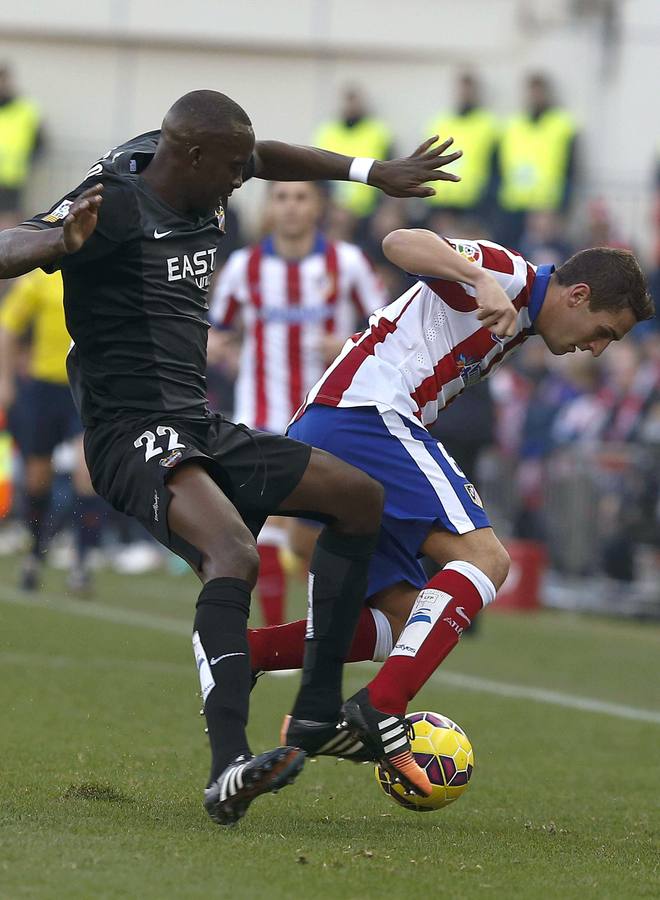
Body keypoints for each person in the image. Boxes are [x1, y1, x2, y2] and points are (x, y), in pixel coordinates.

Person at [0, 90, 463, 824]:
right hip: (131, 434)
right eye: (231, 170)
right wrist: (58, 245)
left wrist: (372, 172)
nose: (242, 183)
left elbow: (266, 153)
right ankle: (228, 771)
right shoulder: (113, 203)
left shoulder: (196, 157)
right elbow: (10, 245)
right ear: (189, 158)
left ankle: (314, 717)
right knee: (235, 555)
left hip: (200, 423)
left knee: (359, 499)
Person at [248, 230, 654, 757]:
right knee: (485, 559)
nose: (596, 348)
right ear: (576, 296)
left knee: (405, 621)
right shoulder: (510, 275)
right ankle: (380, 709)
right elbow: (398, 242)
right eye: (604, 332)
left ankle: (244, 653)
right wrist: (480, 277)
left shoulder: (522, 322)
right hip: (365, 416)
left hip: (336, 424)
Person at [209, 180, 387, 626]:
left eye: (300, 197)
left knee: (318, 535)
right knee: (263, 530)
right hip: (259, 416)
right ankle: (273, 630)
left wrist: (347, 343)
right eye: (281, 197)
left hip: (327, 420)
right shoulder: (243, 267)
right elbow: (216, 329)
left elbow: (387, 330)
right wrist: (221, 347)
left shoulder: (346, 264)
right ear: (270, 207)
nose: (290, 207)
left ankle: (331, 624)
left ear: (318, 206)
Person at [0, 268, 102, 593]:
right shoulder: (41, 279)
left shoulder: (101, 273)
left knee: (88, 472)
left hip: (85, 388)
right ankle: (34, 553)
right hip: (45, 389)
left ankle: (82, 563)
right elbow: (8, 326)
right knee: (37, 479)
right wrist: (5, 378)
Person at [496, 73, 578, 248]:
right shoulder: (513, 124)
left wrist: (562, 207)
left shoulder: (561, 124)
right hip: (514, 204)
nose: (535, 96)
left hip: (546, 205)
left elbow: (571, 169)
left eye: (539, 91)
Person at [423, 72, 499, 227]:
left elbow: (495, 165)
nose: (464, 94)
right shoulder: (440, 122)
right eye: (461, 89)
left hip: (473, 202)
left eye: (468, 90)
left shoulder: (488, 124)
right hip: (441, 201)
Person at [313, 85, 394, 223]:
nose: (351, 106)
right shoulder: (326, 132)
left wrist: (386, 210)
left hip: (370, 212)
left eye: (355, 100)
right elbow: (316, 174)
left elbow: (392, 171)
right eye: (348, 100)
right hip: (332, 212)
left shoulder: (378, 132)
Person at [0, 64, 44, 228]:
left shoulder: (25, 109)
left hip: (11, 177)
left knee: (8, 220)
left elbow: (40, 143)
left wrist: (27, 162)